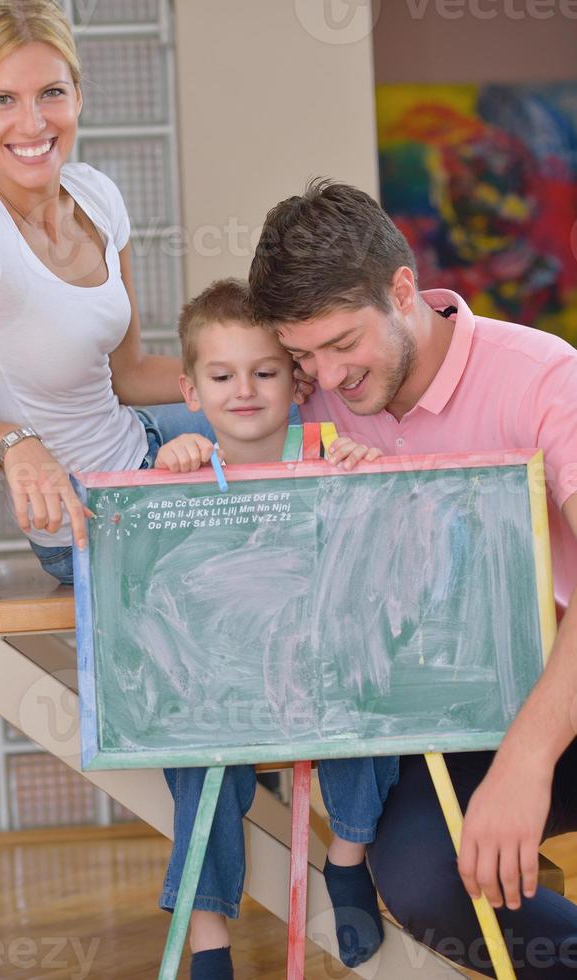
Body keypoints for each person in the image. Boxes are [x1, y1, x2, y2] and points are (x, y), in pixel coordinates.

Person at [248, 179, 577, 978]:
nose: (326, 373)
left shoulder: (542, 376)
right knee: (430, 877)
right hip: (454, 711)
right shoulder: (317, 398)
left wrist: (526, 762)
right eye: (302, 355)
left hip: (561, 685)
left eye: (341, 343)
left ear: (402, 290)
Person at [153, 277, 398, 980]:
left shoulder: (327, 448)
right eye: (222, 375)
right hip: (224, 685)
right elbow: (157, 571)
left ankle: (346, 863)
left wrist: (369, 475)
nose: (245, 390)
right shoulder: (190, 467)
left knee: (374, 711)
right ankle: (209, 944)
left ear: (296, 382)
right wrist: (169, 473)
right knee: (196, 768)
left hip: (322, 669)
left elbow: (383, 555)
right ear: (191, 391)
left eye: (264, 372)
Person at [0, 0, 211, 587]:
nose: (33, 124)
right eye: (2, 99)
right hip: (92, 518)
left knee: (307, 407)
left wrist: (258, 374)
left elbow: (128, 375)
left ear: (78, 95)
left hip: (150, 447)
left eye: (51, 93)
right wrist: (14, 442)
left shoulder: (96, 195)